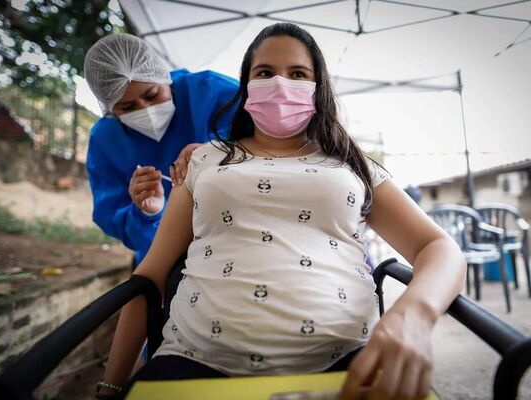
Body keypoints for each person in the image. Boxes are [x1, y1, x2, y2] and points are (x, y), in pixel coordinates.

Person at [96, 23, 466, 400]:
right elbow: (151, 276)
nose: (280, 84)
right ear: (245, 86)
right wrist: (110, 387)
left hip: (346, 359)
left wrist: (413, 316)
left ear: (318, 87)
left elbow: (438, 246)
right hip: (195, 360)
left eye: (298, 74)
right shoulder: (204, 160)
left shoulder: (353, 165)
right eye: (265, 72)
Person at [84, 33, 238, 264]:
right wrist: (148, 213)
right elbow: (111, 213)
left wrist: (218, 152)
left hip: (237, 241)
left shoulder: (212, 92)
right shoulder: (105, 139)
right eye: (127, 107)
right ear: (109, 109)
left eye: (152, 95)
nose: (145, 109)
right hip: (165, 260)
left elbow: (272, 145)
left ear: (164, 77)